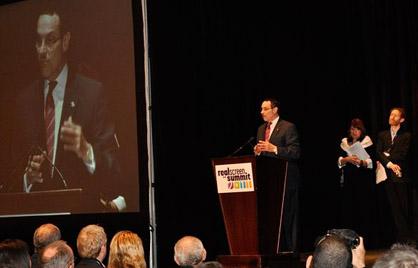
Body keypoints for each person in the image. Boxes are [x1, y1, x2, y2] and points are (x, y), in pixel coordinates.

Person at [9, 9, 125, 211]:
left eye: (50, 40)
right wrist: (28, 178)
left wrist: (86, 150)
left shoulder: (91, 94)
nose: (42, 50)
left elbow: (114, 169)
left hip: (81, 218)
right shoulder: (24, 101)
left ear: (65, 41)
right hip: (36, 218)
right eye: (38, 41)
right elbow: (9, 175)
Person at [253, 98, 301, 252]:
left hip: (286, 180)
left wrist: (274, 148)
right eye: (261, 109)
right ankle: (274, 249)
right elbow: (263, 153)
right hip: (268, 180)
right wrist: (258, 152)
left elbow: (295, 153)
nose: (261, 112)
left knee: (287, 216)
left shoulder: (288, 127)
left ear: (275, 110)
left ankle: (291, 250)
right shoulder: (261, 129)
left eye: (265, 109)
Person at [376, 107, 413, 243]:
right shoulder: (382, 135)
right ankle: (399, 238)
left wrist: (386, 156)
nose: (392, 117)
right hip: (387, 175)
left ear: (401, 120)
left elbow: (402, 154)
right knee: (393, 208)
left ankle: (407, 238)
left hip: (400, 176)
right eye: (391, 114)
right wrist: (390, 164)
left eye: (395, 115)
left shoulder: (406, 136)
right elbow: (378, 152)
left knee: (403, 208)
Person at [337, 118, 377, 244]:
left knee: (363, 209)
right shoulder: (344, 142)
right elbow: (338, 160)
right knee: (348, 209)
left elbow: (371, 163)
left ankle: (363, 240)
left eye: (357, 129)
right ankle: (349, 240)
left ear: (362, 130)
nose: (354, 131)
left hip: (363, 181)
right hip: (348, 180)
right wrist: (346, 159)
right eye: (352, 129)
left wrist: (361, 162)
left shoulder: (367, 141)